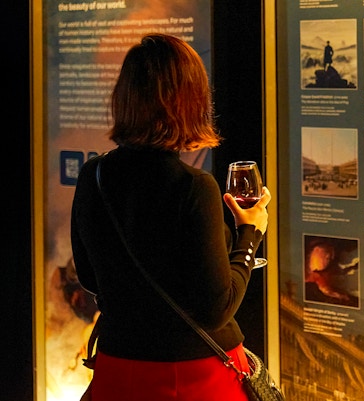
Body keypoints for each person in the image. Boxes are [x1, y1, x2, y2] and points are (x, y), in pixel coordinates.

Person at [71, 33, 271, 401]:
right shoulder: (194, 186)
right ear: (191, 101)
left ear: (125, 97)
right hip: (193, 377)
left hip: (119, 369)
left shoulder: (93, 175)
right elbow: (216, 309)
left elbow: (88, 276)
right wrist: (249, 232)